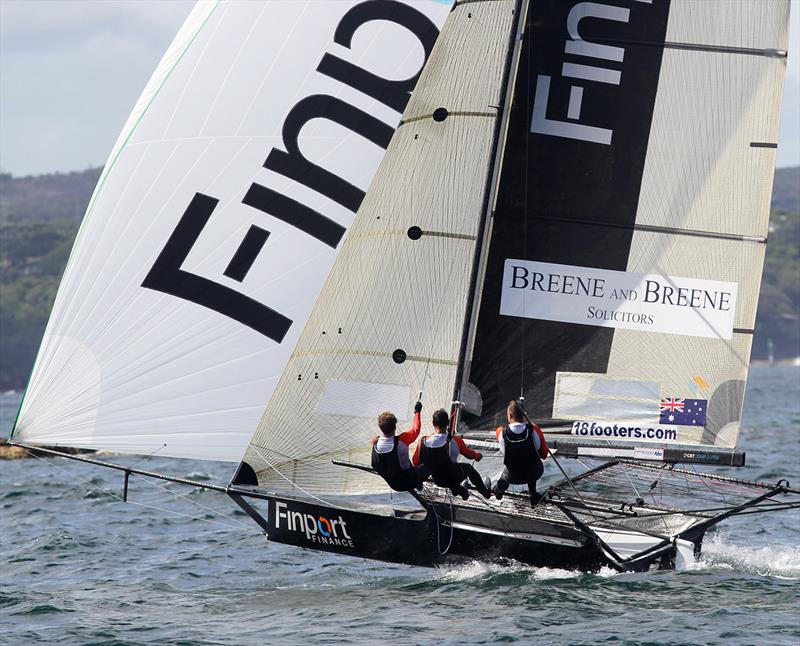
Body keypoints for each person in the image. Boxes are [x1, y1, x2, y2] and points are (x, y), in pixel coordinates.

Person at [412, 408, 492, 500]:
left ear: (433, 423)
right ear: (448, 423)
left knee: (428, 467)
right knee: (469, 469)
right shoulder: (455, 441)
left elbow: (415, 463)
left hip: (438, 480)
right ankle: (485, 493)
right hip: (454, 477)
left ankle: (461, 491)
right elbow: (470, 455)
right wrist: (478, 456)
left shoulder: (422, 442)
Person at [493, 399, 549, 507]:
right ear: (524, 415)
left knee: (506, 473)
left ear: (509, 415)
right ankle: (533, 494)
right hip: (534, 474)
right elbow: (544, 455)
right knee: (532, 463)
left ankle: (497, 491)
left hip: (513, 477)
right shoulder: (535, 429)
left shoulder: (500, 432)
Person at [371, 401, 430, 492]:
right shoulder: (402, 440)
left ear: (380, 428)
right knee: (430, 462)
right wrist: (417, 411)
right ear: (395, 427)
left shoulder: (375, 441)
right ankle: (419, 482)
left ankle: (418, 483)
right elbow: (416, 429)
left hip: (394, 485)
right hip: (411, 480)